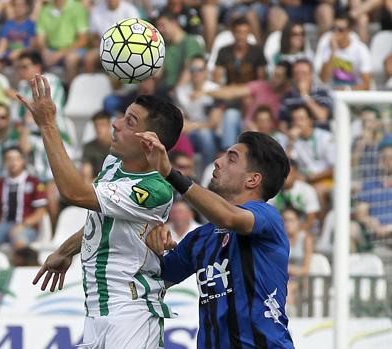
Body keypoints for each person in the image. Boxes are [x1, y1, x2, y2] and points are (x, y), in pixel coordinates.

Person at [27, 75, 183, 347]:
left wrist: (48, 125)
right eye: (123, 116)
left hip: (130, 313)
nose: (116, 123)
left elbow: (73, 192)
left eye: (129, 122)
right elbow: (102, 220)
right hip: (97, 310)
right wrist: (65, 251)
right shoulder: (113, 162)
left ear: (148, 141)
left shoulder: (155, 189)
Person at [137, 130, 294, 348]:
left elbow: (228, 217)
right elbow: (152, 280)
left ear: (252, 179)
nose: (218, 161)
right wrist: (153, 242)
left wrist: (171, 174)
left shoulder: (268, 218)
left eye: (231, 158)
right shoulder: (200, 238)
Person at [0, 146, 47, 250]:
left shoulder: (35, 182)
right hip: (3, 226)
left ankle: (22, 265)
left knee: (18, 238)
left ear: (23, 161)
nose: (13, 163)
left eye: (16, 159)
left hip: (27, 227)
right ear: (4, 162)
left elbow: (40, 212)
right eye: (9, 159)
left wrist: (23, 224)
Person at [314, 11, 372, 91]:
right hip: (333, 95)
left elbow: (367, 84)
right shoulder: (327, 46)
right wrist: (333, 52)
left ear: (349, 31)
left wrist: (347, 90)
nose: (336, 32)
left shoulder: (361, 49)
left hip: (355, 95)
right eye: (333, 28)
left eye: (340, 30)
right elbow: (323, 79)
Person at [81, 111, 112, 183]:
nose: (99, 129)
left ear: (110, 126)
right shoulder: (89, 147)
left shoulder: (120, 146)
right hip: (96, 184)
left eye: (102, 125)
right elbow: (86, 174)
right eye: (96, 125)